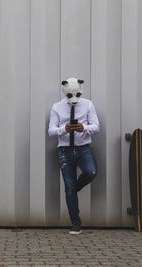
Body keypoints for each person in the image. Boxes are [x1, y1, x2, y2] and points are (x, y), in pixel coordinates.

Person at [48, 77, 100, 235]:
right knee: (69, 188)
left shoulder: (88, 105)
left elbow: (96, 126)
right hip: (65, 150)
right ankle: (76, 224)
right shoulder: (57, 107)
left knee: (91, 172)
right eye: (70, 95)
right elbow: (51, 130)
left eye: (76, 95)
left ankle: (73, 188)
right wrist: (65, 129)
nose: (74, 99)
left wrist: (83, 128)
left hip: (83, 148)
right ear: (64, 91)